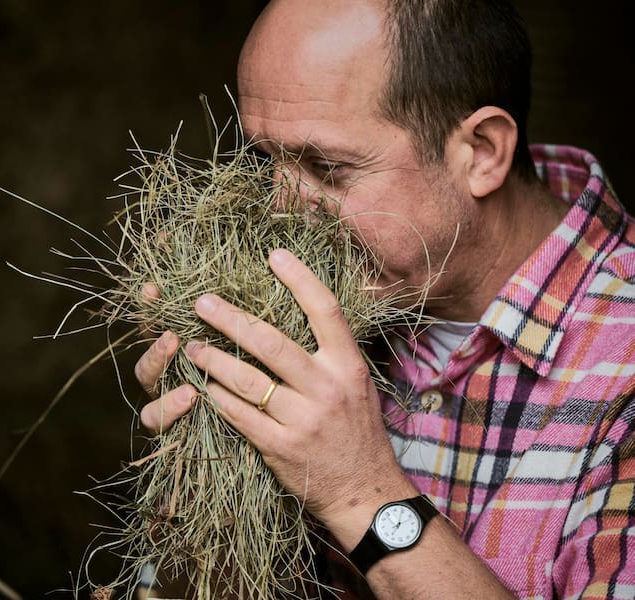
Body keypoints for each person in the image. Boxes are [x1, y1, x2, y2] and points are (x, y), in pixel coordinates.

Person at [134, 0, 634, 598]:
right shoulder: (349, 295)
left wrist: (357, 490)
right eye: (268, 160)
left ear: (482, 152)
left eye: (328, 167)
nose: (280, 213)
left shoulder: (622, 372)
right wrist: (213, 461)